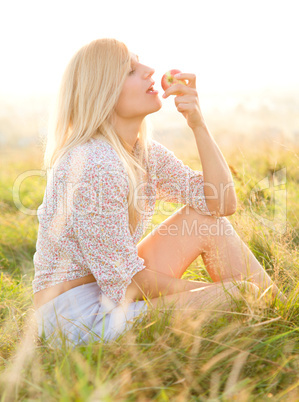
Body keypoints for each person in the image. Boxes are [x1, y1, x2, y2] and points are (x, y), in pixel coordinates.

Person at [32, 38, 285, 348]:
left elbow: (221, 204)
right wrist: (205, 292)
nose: (150, 70)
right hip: (77, 318)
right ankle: (271, 311)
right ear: (103, 92)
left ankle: (280, 313)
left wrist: (197, 123)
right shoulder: (93, 163)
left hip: (109, 288)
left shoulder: (143, 153)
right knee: (243, 293)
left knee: (207, 222)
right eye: (130, 70)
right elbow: (126, 282)